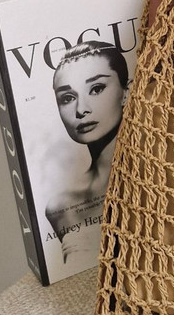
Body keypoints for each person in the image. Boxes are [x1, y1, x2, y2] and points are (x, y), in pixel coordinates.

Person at [45, 41, 130, 264]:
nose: (81, 109)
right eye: (67, 98)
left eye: (97, 89)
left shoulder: (160, 175)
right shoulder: (61, 206)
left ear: (126, 92)